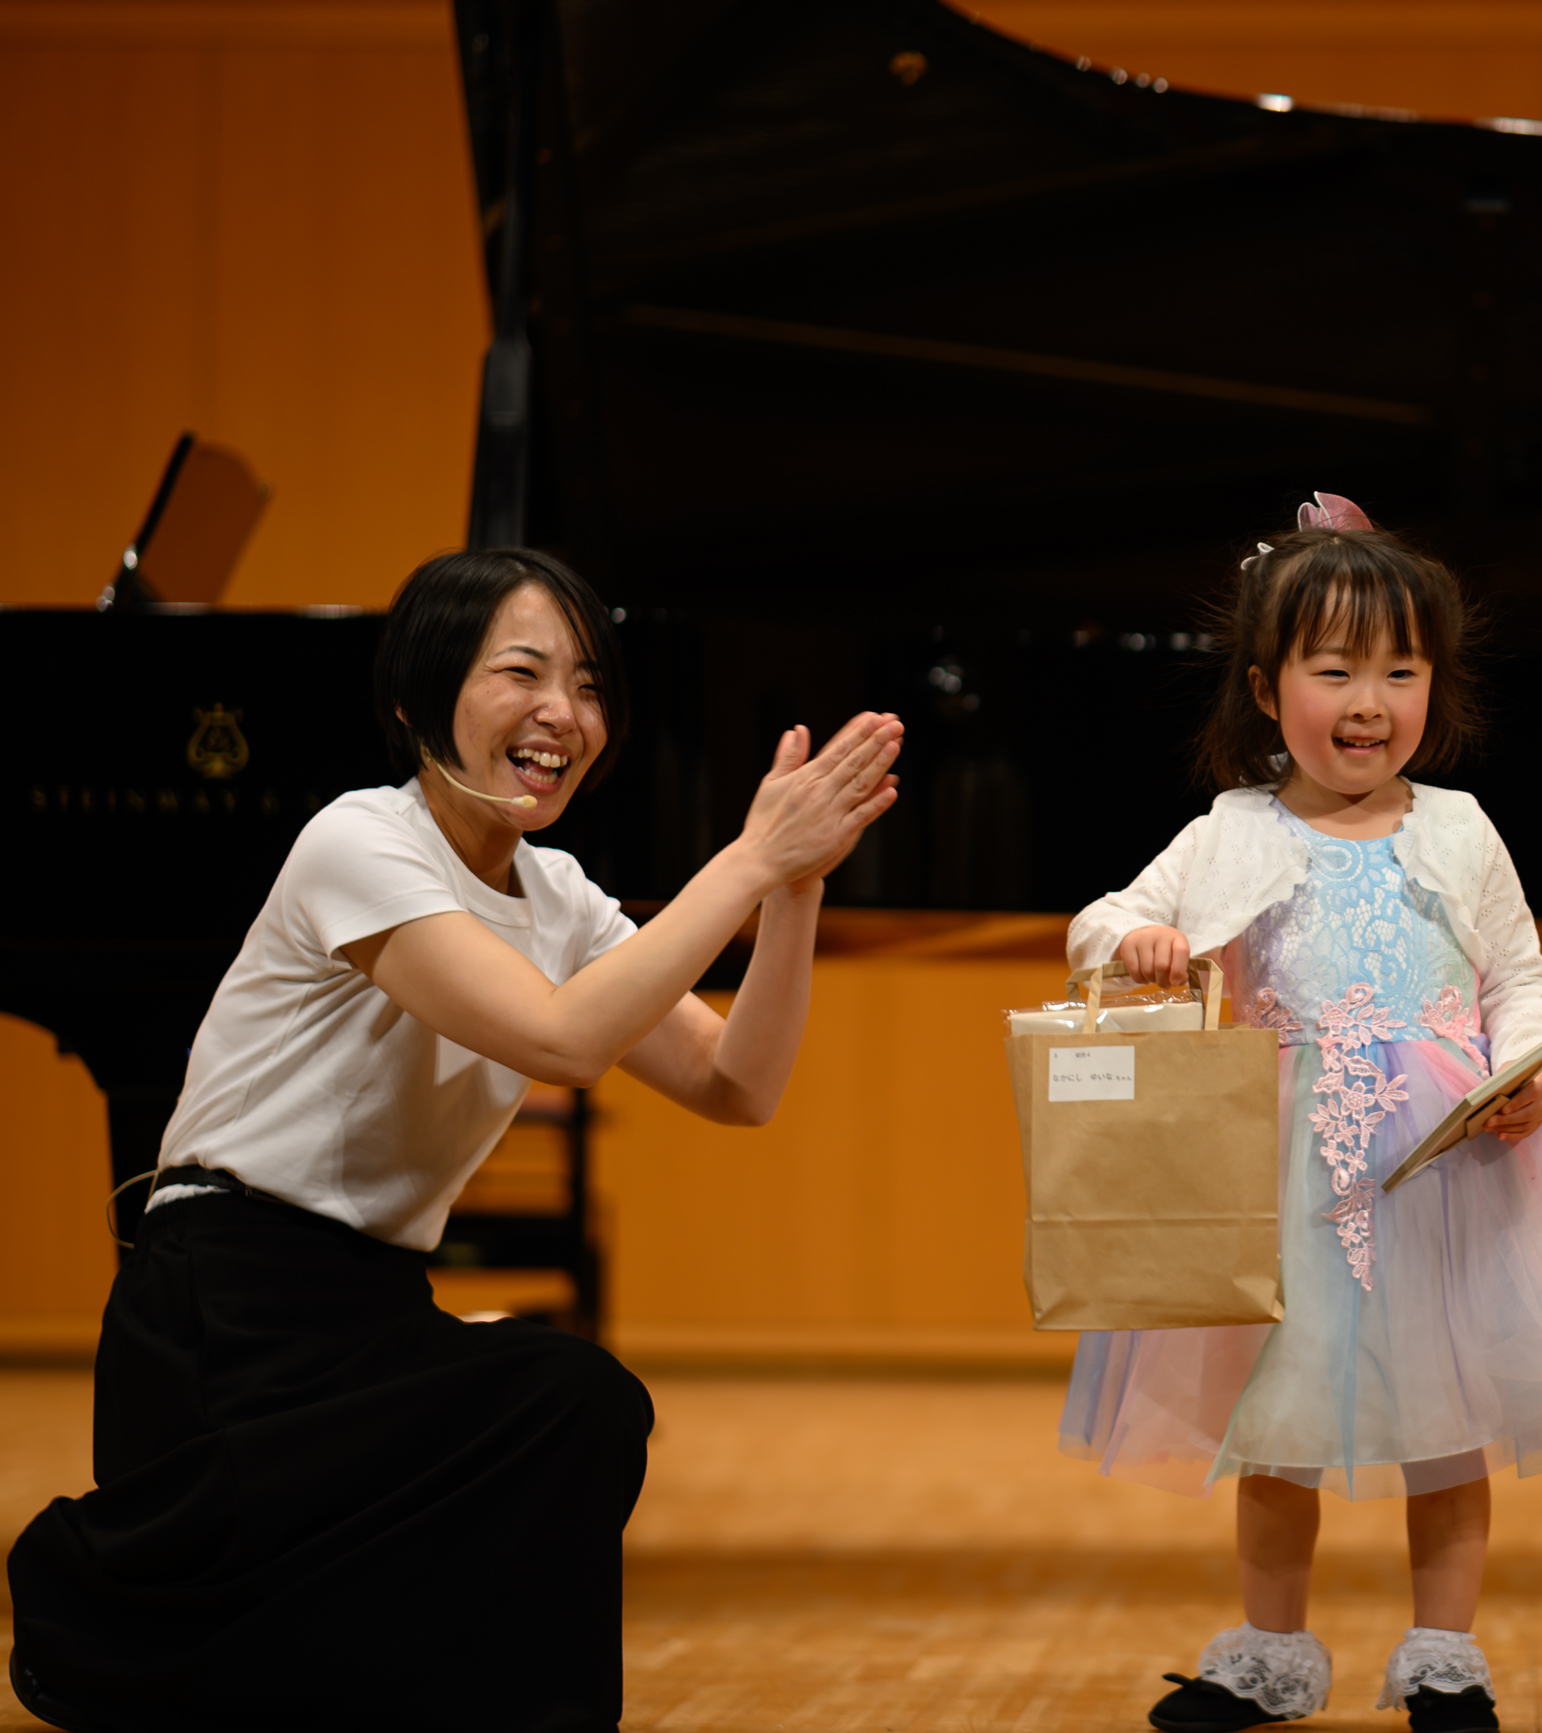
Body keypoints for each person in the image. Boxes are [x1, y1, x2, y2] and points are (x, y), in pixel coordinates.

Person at [7, 548, 902, 1733]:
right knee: (548, 1408)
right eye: (522, 672)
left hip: (372, 1309)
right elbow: (562, 1038)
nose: (563, 712)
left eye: (588, 684)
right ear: (418, 696)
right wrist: (746, 860)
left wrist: (794, 891)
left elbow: (738, 1083)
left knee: (577, 1407)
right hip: (222, 1312)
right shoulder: (358, 840)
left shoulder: (557, 894)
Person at [1061, 495, 1542, 1733]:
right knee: (1273, 1426)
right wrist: (1138, 940)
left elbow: (1518, 978)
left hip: (1446, 1177)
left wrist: (1524, 1067)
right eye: (1333, 669)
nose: (1369, 701)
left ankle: (1443, 1656)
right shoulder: (1232, 829)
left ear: (1433, 684)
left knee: (1450, 1427)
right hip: (1283, 1181)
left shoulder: (1458, 827)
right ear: (1264, 686)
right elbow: (1094, 921)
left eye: (1400, 671)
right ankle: (1268, 1654)